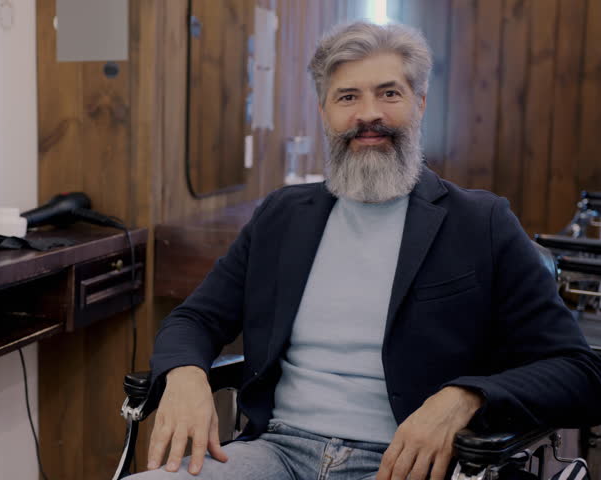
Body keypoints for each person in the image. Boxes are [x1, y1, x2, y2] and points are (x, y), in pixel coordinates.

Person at [131, 21, 601, 480]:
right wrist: (186, 373)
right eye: (347, 97)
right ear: (324, 112)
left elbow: (579, 372)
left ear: (419, 103)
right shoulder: (281, 216)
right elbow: (195, 319)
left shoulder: (481, 223)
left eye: (389, 93)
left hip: (408, 463)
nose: (368, 114)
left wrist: (463, 398)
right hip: (276, 452)